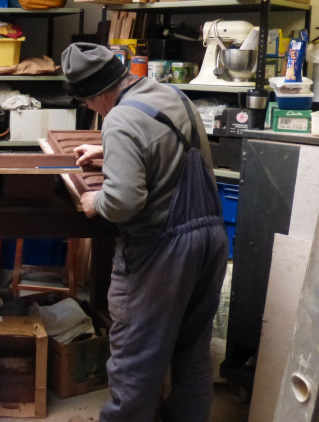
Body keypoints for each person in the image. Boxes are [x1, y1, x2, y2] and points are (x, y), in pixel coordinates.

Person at [61, 43, 227, 422]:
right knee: (191, 351)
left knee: (137, 357)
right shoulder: (171, 94)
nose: (91, 109)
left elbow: (122, 203)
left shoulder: (119, 120)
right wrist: (109, 150)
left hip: (163, 251)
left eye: (88, 102)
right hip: (210, 239)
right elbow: (168, 146)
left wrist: (95, 201)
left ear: (100, 93)